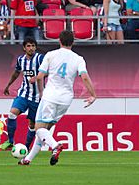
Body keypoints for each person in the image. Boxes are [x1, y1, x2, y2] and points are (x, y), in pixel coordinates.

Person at [19, 30, 96, 166]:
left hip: (50, 96)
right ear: (73, 42)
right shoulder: (78, 59)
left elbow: (41, 76)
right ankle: (27, 159)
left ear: (59, 41)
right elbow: (84, 76)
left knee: (39, 128)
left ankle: (55, 146)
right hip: (66, 100)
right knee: (44, 132)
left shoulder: (51, 55)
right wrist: (93, 95)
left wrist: (42, 92)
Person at [0, 37, 44, 151]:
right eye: (28, 46)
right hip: (24, 94)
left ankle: (26, 148)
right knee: (12, 114)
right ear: (24, 48)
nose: (31, 48)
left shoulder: (40, 58)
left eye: (33, 46)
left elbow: (48, 72)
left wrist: (37, 77)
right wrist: (8, 85)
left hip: (37, 97)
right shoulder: (21, 60)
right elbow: (16, 73)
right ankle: (10, 141)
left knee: (32, 125)